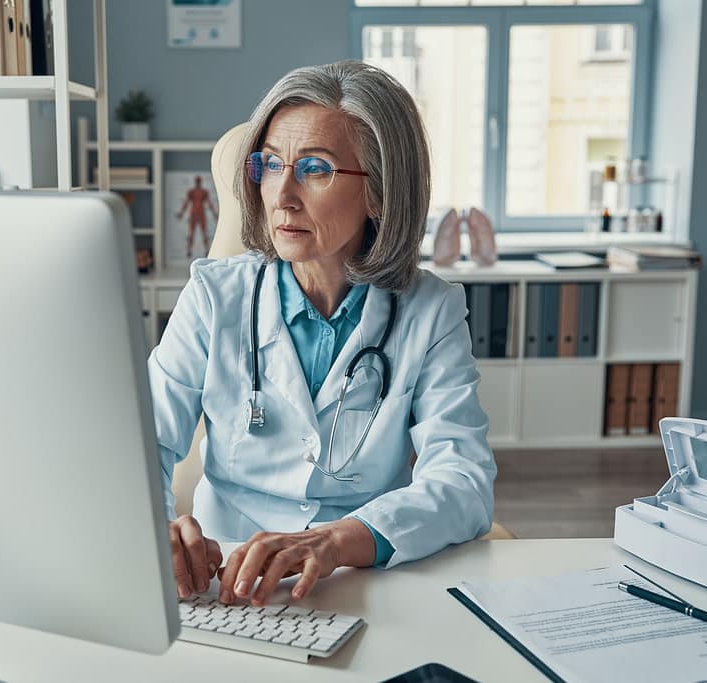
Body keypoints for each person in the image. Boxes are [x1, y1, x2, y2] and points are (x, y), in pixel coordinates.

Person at [148, 60, 496, 608]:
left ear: (379, 192)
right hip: (222, 582)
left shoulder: (431, 310)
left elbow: (463, 480)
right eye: (269, 164)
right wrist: (153, 526)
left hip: (360, 578)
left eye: (314, 169)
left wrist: (335, 541)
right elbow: (143, 443)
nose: (281, 194)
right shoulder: (215, 296)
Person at [175, 175, 218, 259]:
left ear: (200, 181)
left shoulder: (204, 192)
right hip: (193, 214)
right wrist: (181, 213)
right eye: (197, 180)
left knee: (204, 232)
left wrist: (214, 214)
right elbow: (186, 203)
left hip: (201, 213)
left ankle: (206, 250)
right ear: (196, 181)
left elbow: (209, 203)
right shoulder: (191, 192)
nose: (198, 182)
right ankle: (189, 251)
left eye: (199, 180)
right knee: (191, 233)